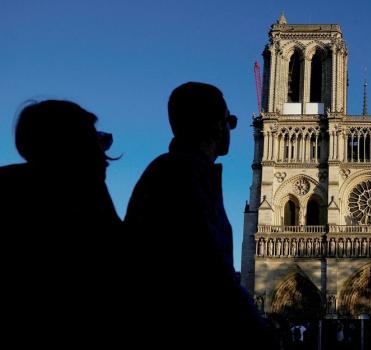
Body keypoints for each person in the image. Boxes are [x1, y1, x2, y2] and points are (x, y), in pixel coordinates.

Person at [124, 82, 276, 348]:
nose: (231, 129)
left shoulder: (176, 170)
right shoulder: (182, 175)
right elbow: (211, 271)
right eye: (231, 120)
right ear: (218, 125)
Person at [0, 100, 122, 345]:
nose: (105, 153)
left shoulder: (87, 192)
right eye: (94, 139)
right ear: (72, 148)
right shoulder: (83, 197)